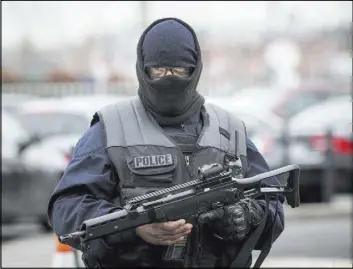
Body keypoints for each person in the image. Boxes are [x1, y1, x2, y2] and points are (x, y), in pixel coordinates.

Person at [47, 17, 285, 268]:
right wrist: (134, 228)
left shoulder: (231, 131)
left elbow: (273, 206)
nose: (169, 78)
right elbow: (65, 209)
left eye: (179, 70)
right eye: (159, 71)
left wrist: (247, 216)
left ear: (195, 69)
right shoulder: (111, 129)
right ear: (142, 69)